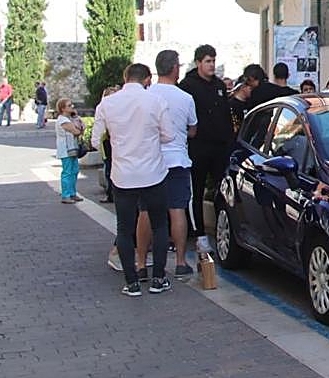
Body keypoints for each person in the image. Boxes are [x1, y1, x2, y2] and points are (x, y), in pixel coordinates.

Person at [92, 63, 174, 297]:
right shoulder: (156, 101)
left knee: (124, 228)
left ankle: (132, 282)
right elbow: (168, 135)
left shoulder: (107, 103)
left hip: (123, 175)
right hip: (153, 173)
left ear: (125, 77)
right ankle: (158, 278)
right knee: (159, 225)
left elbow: (96, 140)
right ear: (147, 79)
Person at [136, 50, 198, 280]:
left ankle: (141, 263)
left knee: (145, 212)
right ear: (175, 68)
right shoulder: (185, 98)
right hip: (177, 160)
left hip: (150, 161)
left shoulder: (145, 95)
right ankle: (181, 262)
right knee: (177, 210)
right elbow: (193, 129)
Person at [178, 44, 233, 250]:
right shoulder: (188, 86)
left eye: (213, 61)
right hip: (198, 148)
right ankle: (199, 234)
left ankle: (223, 233)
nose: (211, 65)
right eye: (208, 61)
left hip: (219, 148)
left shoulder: (219, 85)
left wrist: (229, 142)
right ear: (199, 62)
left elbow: (226, 116)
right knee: (197, 192)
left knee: (222, 192)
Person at [54, 98, 84, 203]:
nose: (72, 107)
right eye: (69, 105)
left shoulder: (69, 119)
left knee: (74, 171)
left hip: (72, 149)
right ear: (63, 108)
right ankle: (66, 195)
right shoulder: (63, 120)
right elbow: (76, 131)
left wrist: (75, 117)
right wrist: (78, 127)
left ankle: (72, 193)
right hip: (66, 150)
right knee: (67, 172)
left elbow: (81, 127)